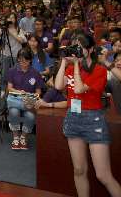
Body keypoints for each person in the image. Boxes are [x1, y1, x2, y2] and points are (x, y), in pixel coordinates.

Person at [54, 33, 121, 197]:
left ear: (90, 49)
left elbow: (78, 89)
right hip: (73, 119)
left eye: (80, 47)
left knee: (103, 175)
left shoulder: (99, 70)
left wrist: (76, 64)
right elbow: (58, 86)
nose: (76, 50)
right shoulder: (70, 68)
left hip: (94, 121)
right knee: (78, 170)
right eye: (74, 46)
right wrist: (64, 62)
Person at [6, 47, 45, 150]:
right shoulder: (12, 70)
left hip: (28, 101)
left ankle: (23, 137)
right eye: (20, 60)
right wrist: (20, 92)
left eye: (25, 61)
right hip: (15, 100)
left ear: (30, 60)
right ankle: (15, 137)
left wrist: (31, 96)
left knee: (30, 116)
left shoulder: (35, 73)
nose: (22, 63)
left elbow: (38, 92)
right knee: (14, 112)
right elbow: (9, 88)